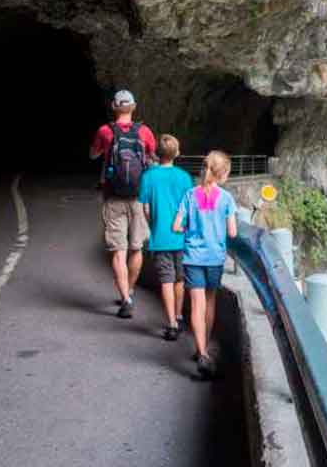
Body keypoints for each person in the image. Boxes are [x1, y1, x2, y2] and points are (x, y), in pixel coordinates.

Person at [89, 90, 156, 318]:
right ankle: (130, 290)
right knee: (136, 247)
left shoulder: (105, 131)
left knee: (119, 250)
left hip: (113, 196)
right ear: (134, 107)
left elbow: (93, 154)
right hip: (139, 196)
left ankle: (125, 298)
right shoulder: (145, 132)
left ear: (114, 107)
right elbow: (153, 157)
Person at [173, 150, 237, 377]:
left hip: (193, 257)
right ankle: (205, 348)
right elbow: (232, 231)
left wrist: (192, 227)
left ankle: (201, 352)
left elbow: (177, 226)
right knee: (209, 303)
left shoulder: (191, 194)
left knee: (196, 305)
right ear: (223, 174)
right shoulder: (226, 199)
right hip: (214, 258)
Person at [139, 134, 194, 341]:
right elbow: (190, 208)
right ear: (177, 153)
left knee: (166, 281)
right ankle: (179, 315)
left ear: (156, 154)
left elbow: (145, 207)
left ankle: (171, 323)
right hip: (181, 237)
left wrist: (153, 224)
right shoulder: (184, 177)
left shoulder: (148, 176)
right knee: (179, 279)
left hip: (160, 238)